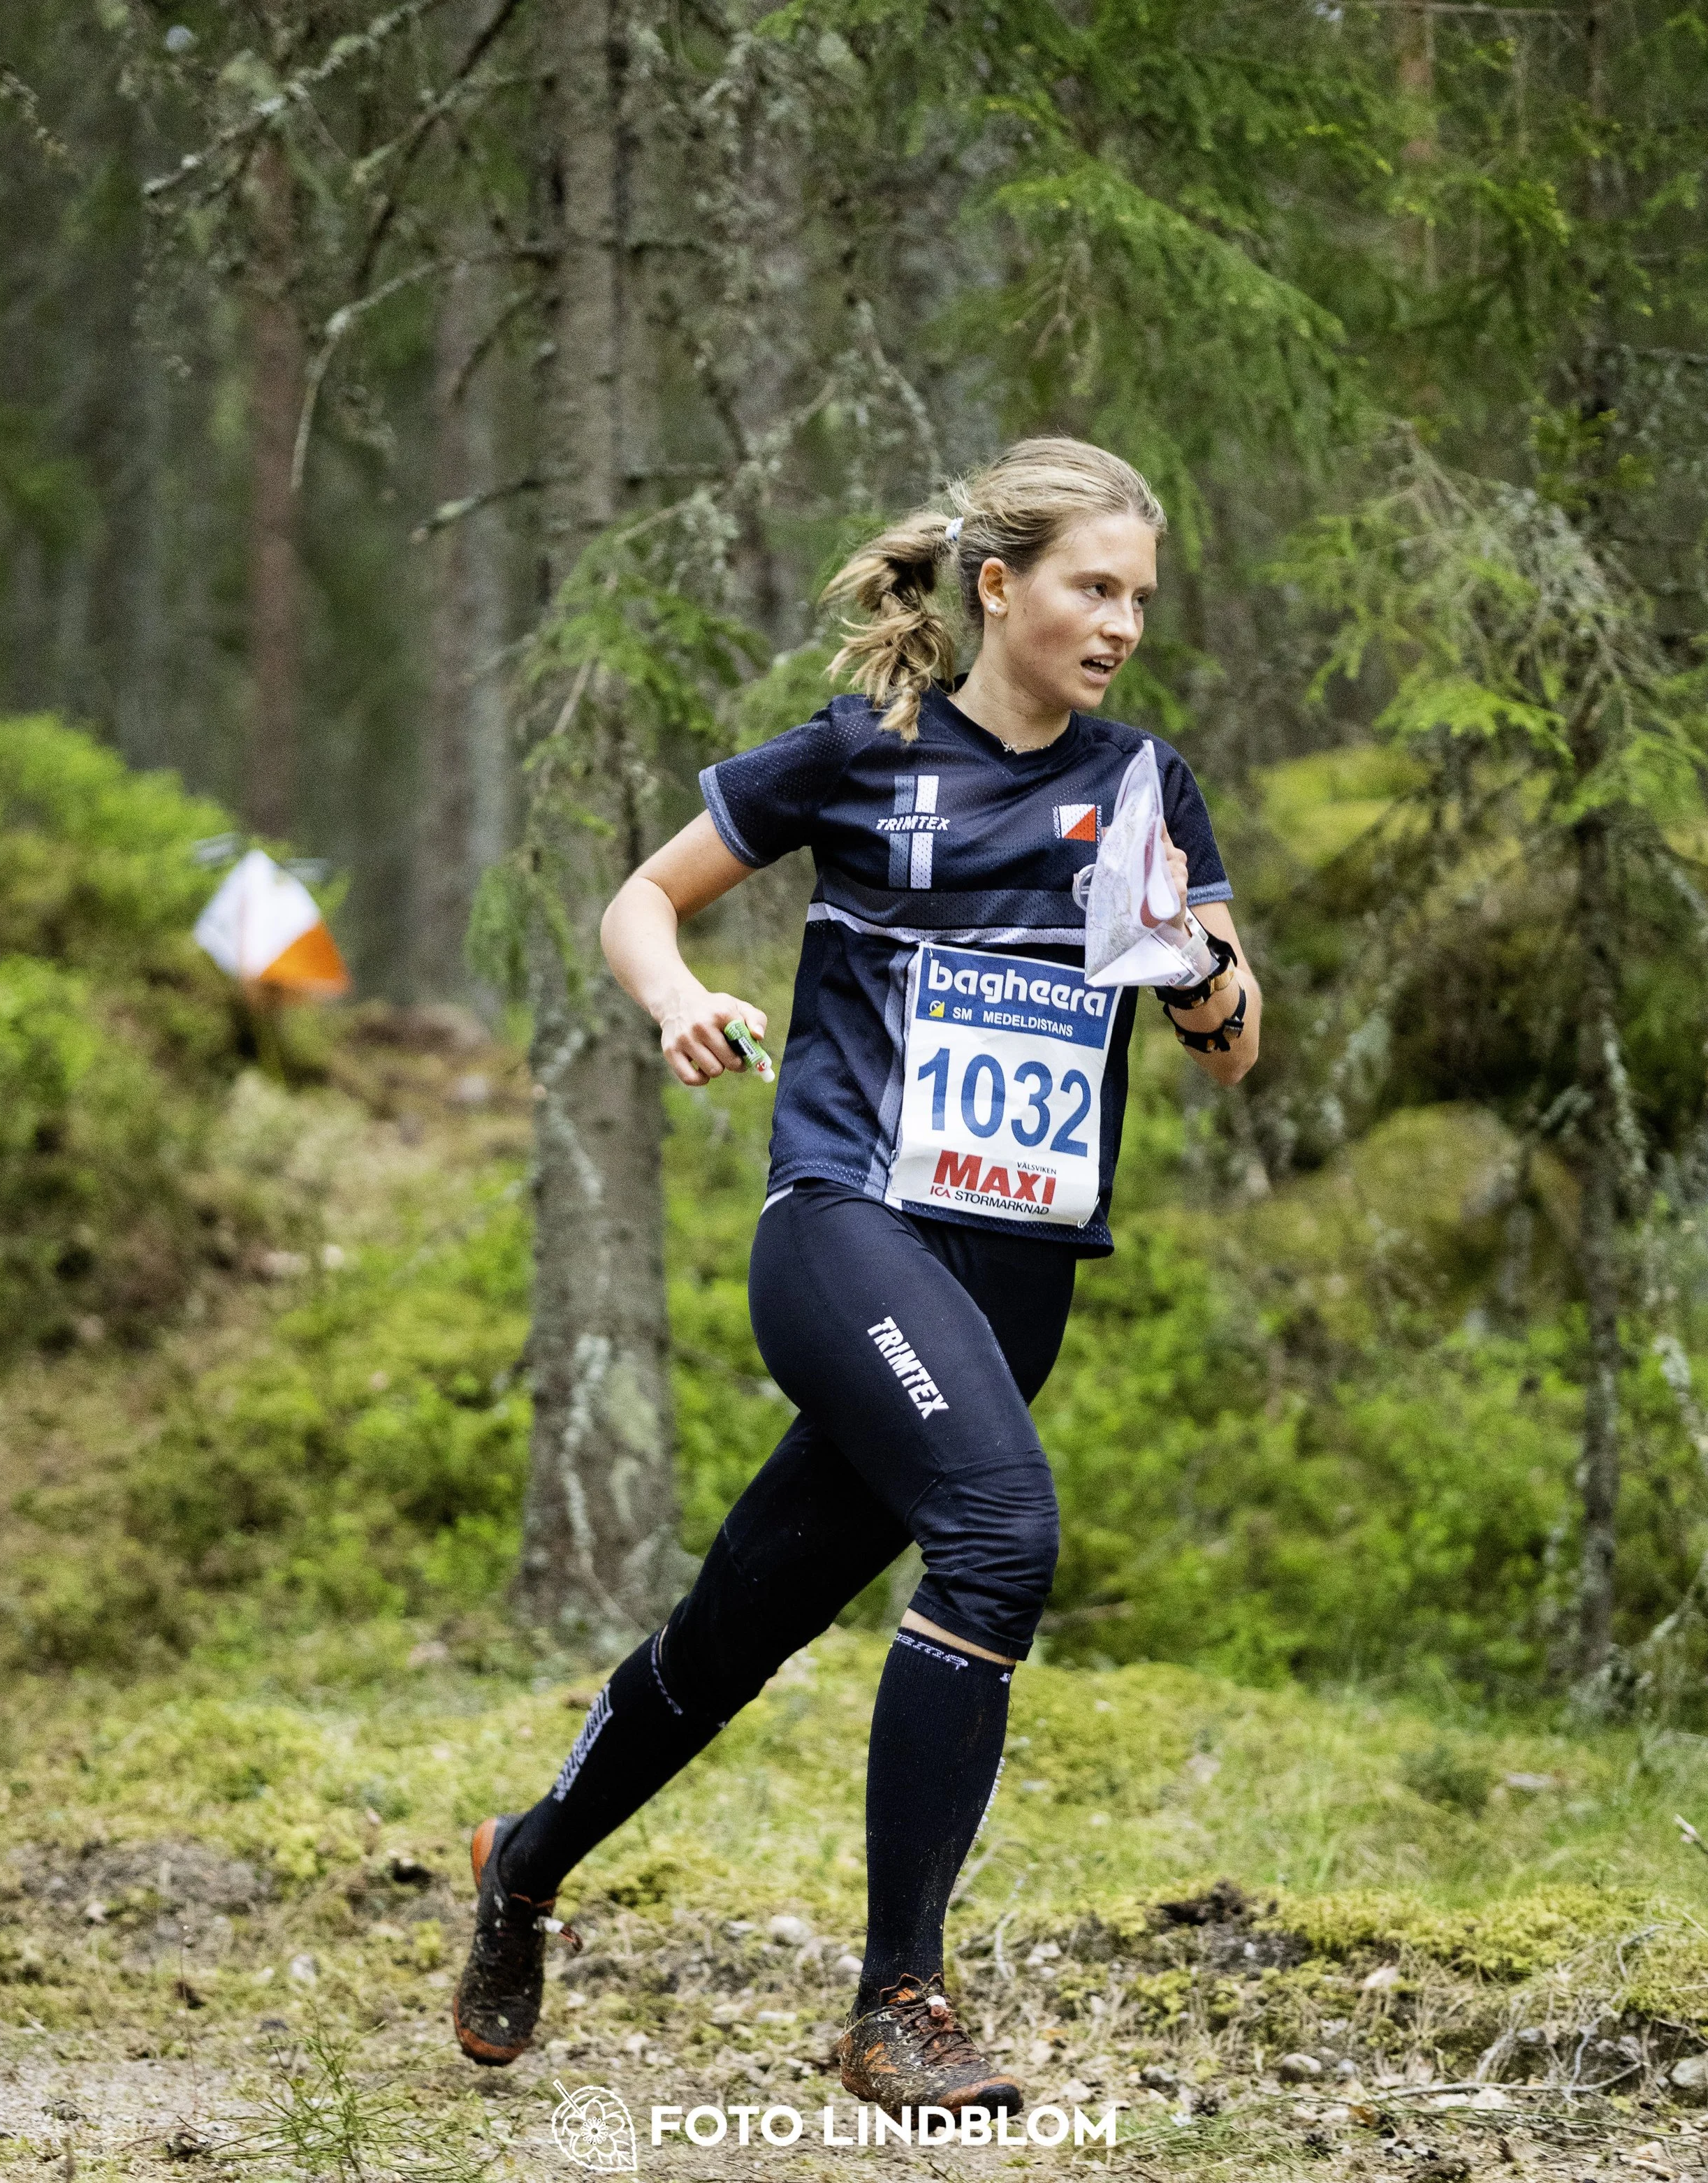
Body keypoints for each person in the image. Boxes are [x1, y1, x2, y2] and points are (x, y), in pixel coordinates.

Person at [451, 437, 1261, 2108]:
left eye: (1136, 599)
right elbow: (639, 902)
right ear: (996, 588)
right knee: (999, 1531)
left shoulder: (1145, 784)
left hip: (1010, 1275)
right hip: (840, 1228)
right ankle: (900, 1997)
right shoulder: (858, 756)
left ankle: (523, 1864)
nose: (1117, 624)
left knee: (733, 1626)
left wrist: (1187, 962)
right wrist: (677, 998)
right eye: (1088, 588)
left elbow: (1233, 1046)